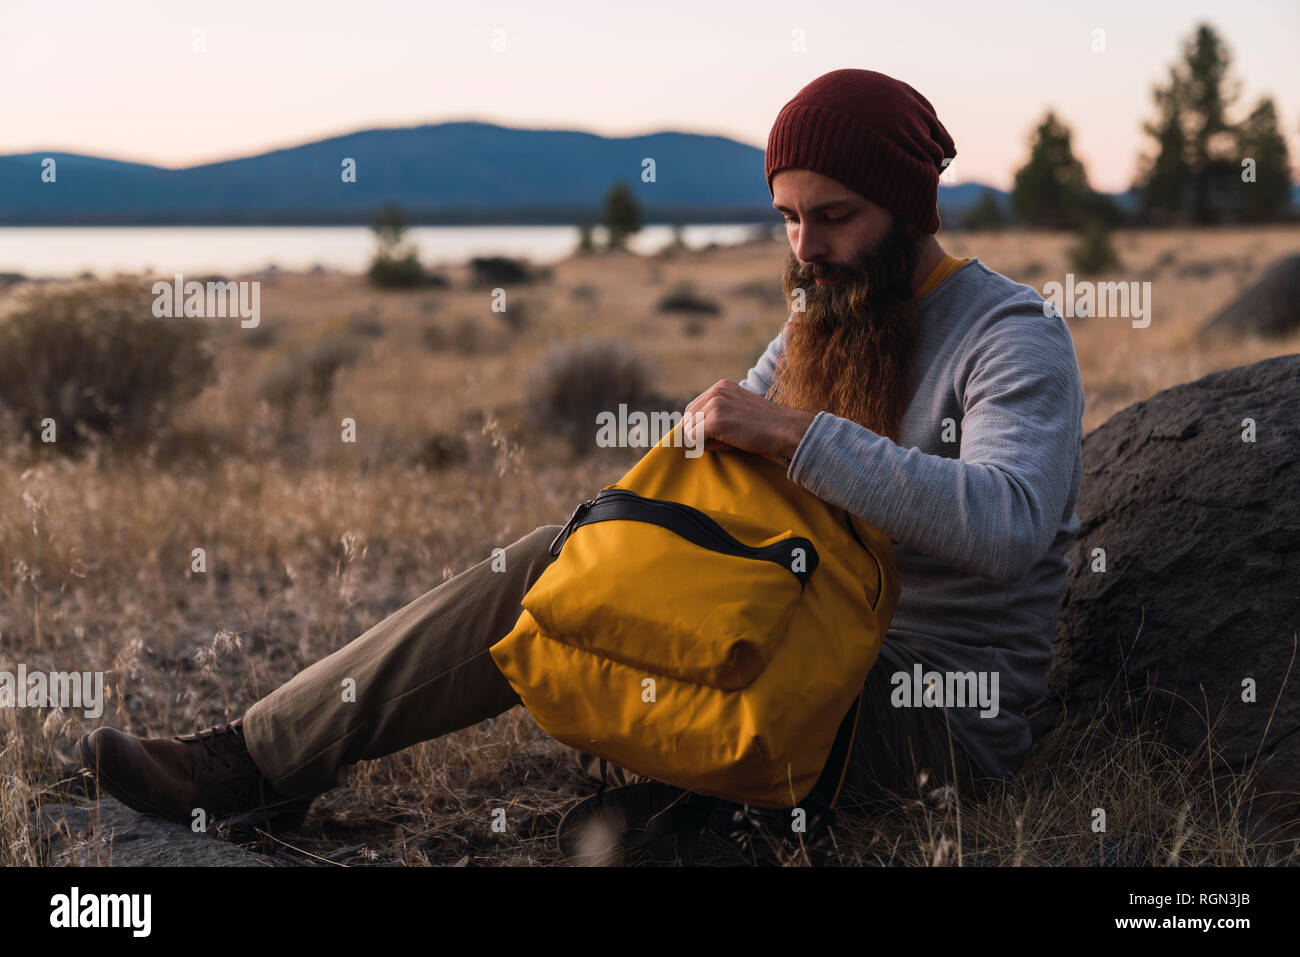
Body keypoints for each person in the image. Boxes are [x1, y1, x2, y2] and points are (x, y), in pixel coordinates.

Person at [79, 68, 1085, 836]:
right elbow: (747, 493)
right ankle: (251, 763)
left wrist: (788, 433)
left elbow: (1006, 522)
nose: (804, 249)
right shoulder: (820, 319)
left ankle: (704, 815)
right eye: (786, 218)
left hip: (920, 709)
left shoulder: (1012, 336)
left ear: (914, 213)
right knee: (560, 560)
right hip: (791, 631)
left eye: (833, 218)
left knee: (605, 804)